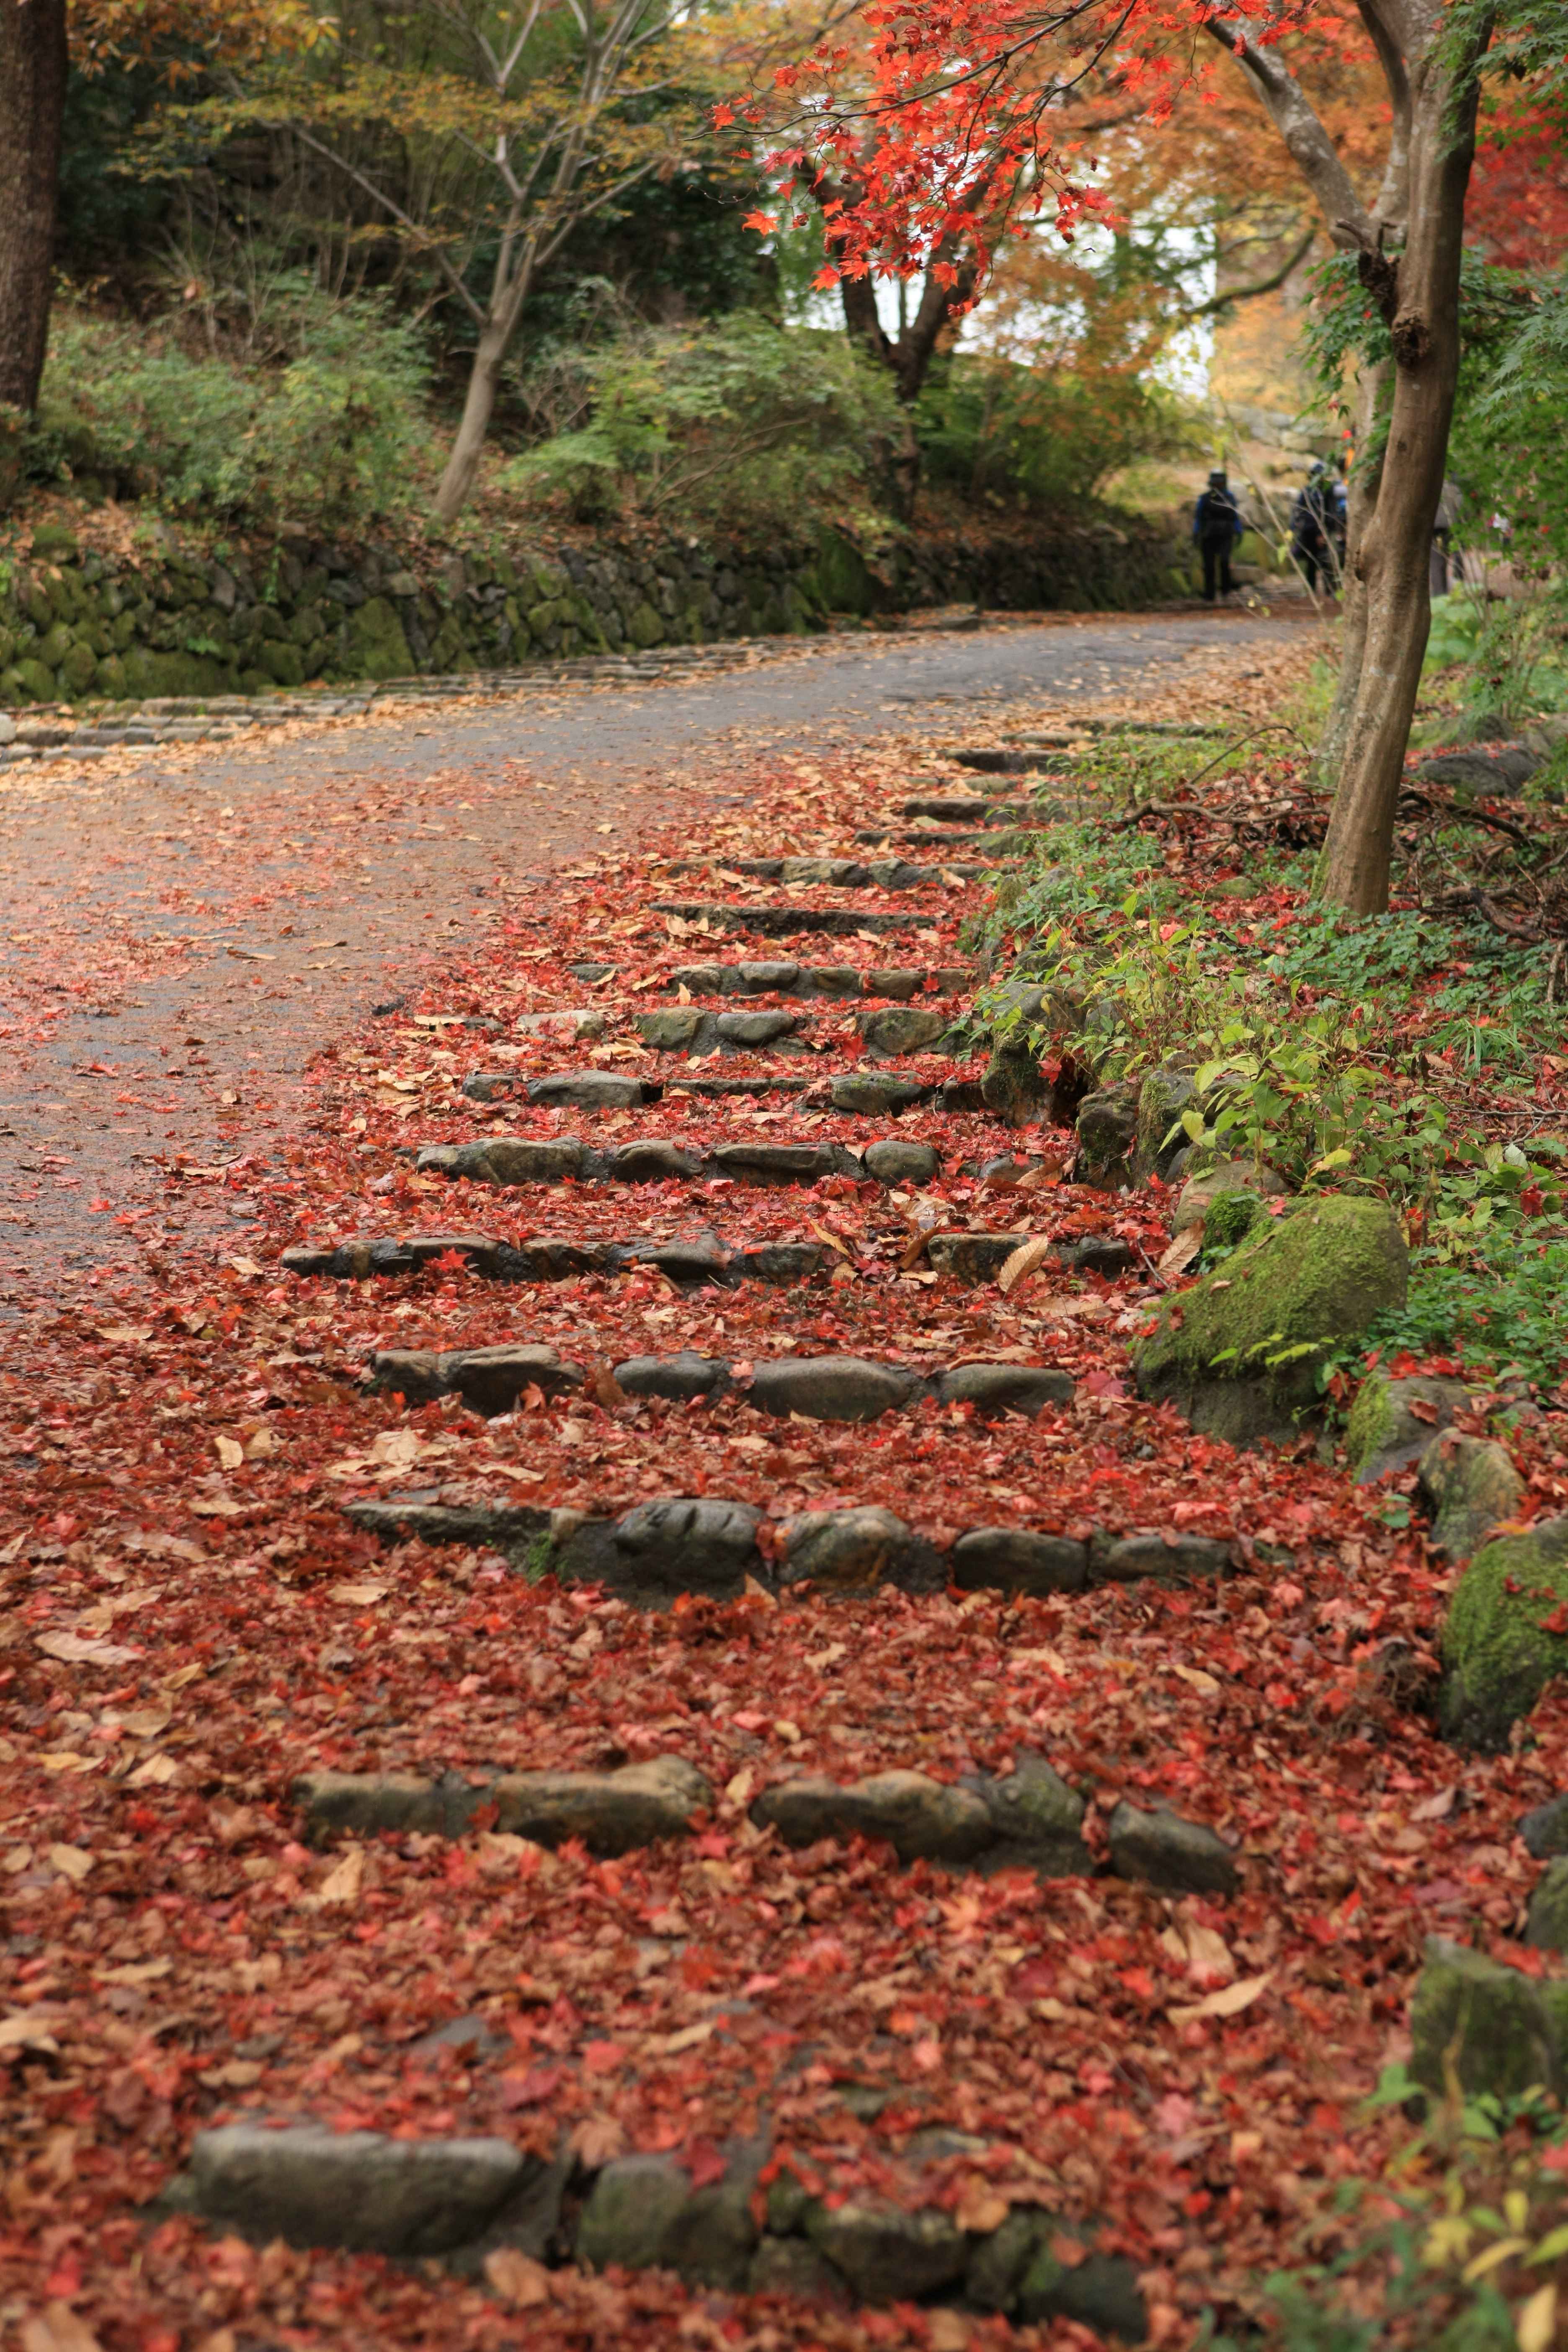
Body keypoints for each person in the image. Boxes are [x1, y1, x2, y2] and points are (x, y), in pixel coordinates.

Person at [1193, 469, 1244, 603]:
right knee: (1209, 565)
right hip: (1208, 536)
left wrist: (1239, 532)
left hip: (1226, 535)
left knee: (1224, 562)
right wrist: (1196, 533)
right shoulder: (1204, 499)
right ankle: (1210, 594)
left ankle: (1226, 592)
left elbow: (1235, 517)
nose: (1218, 485)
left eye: (1220, 483)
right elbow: (1198, 518)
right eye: (1216, 483)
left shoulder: (1230, 498)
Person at [1290, 460, 1336, 593]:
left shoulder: (1327, 491)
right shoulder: (1307, 491)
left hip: (1323, 532)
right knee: (1311, 562)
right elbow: (1298, 510)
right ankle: (1311, 590)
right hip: (1309, 532)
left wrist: (1324, 533)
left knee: (1325, 562)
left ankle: (1329, 592)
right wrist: (1294, 527)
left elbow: (1330, 512)